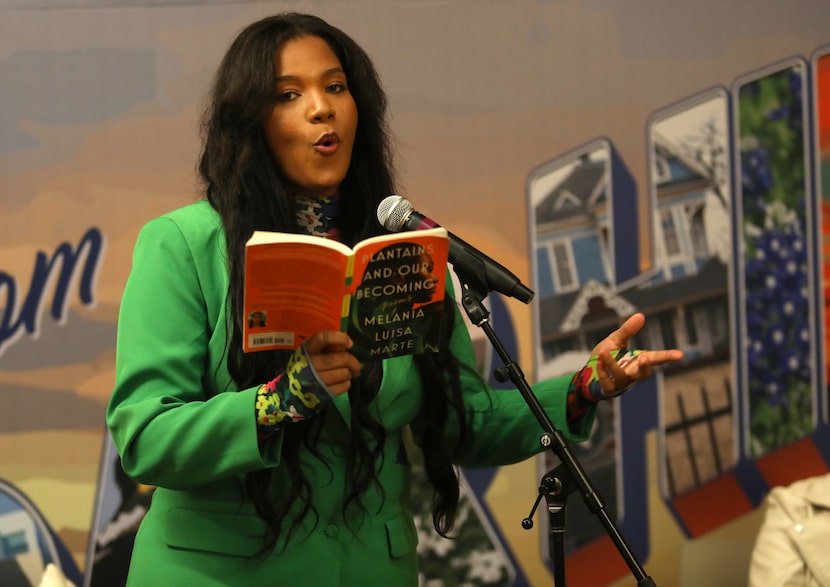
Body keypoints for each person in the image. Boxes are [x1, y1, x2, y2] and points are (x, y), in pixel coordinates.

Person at [106, 12, 684, 586]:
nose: (321, 108)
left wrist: (587, 388)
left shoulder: (397, 251)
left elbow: (464, 423)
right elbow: (146, 438)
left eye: (336, 87)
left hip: (368, 570)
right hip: (219, 573)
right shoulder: (183, 244)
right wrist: (280, 400)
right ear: (251, 122)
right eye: (289, 94)